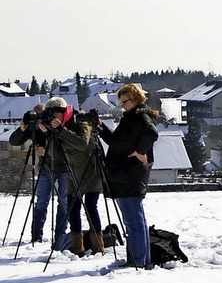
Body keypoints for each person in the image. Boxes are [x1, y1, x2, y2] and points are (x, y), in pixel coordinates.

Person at [98, 83, 159, 268]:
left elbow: (151, 133)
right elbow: (117, 142)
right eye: (121, 102)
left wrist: (140, 151)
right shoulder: (131, 117)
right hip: (127, 173)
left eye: (126, 101)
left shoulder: (140, 117)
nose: (123, 104)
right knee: (136, 219)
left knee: (133, 221)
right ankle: (141, 259)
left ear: (136, 99)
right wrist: (100, 128)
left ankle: (137, 261)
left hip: (129, 174)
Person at [45, 97, 104, 256]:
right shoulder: (59, 126)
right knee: (73, 209)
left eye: (53, 114)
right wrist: (51, 134)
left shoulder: (81, 121)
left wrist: (60, 130)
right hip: (72, 172)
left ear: (62, 113)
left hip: (90, 171)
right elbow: (54, 153)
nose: (52, 118)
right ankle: (77, 247)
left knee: (91, 207)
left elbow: (81, 144)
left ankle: (98, 246)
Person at [9, 103, 68, 244]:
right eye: (36, 116)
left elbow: (64, 144)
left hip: (64, 167)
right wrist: (22, 130)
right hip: (45, 167)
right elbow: (14, 141)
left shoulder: (57, 125)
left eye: (41, 115)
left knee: (64, 202)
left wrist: (47, 140)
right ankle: (36, 236)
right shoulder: (34, 127)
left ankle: (60, 235)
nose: (39, 119)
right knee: (41, 201)